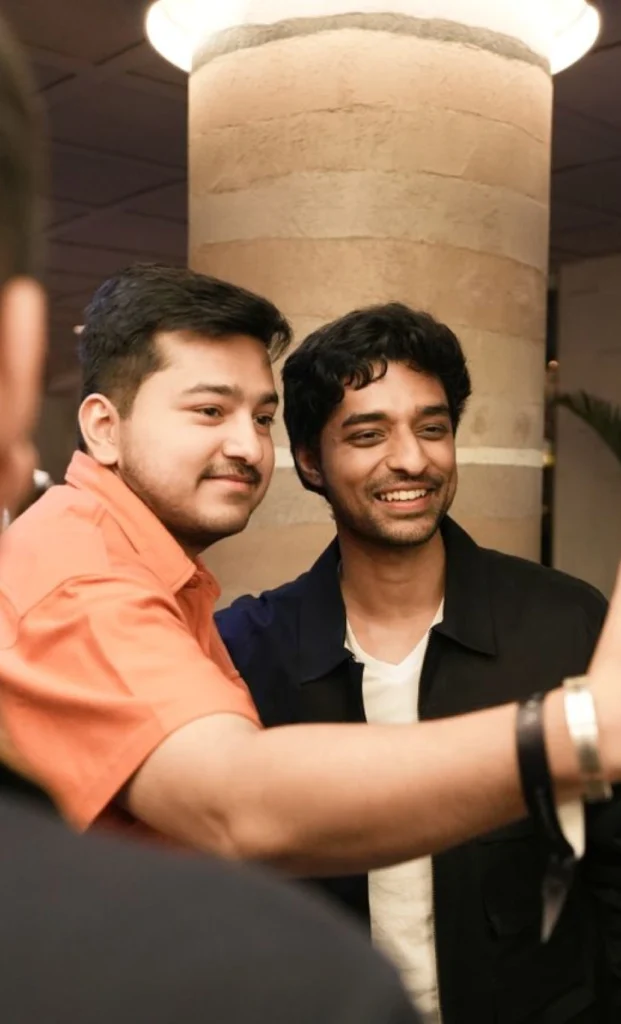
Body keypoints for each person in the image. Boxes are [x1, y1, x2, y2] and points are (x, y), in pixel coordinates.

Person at [0, 13, 423, 1024]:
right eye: (208, 411)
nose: (247, 444)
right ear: (100, 427)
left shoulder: (169, 575)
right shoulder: (77, 571)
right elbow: (240, 806)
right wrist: (571, 733)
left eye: (263, 416)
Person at [216, 303, 621, 1023]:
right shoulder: (247, 648)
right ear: (309, 461)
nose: (411, 459)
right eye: (367, 435)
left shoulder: (563, 621)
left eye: (432, 428)